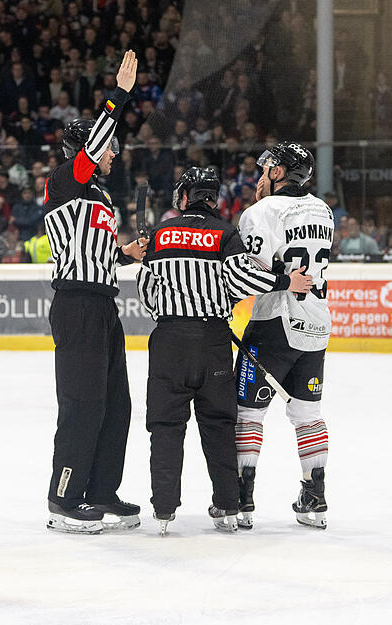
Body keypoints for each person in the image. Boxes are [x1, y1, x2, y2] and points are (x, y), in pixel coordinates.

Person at [137, 167, 312, 535]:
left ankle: (165, 509)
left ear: (183, 197)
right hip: (213, 341)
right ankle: (228, 506)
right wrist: (285, 281)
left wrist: (167, 314)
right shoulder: (225, 233)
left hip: (169, 341)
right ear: (212, 198)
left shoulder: (156, 234)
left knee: (166, 427)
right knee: (218, 425)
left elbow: (146, 287)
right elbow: (242, 280)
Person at [43, 50, 146, 534]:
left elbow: (97, 251)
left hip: (104, 304)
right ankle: (64, 497)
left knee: (116, 404)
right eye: (108, 148)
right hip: (78, 305)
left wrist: (125, 253)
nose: (113, 155)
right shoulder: (65, 182)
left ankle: (101, 491)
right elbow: (93, 150)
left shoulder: (99, 196)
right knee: (83, 403)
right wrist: (119, 95)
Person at [235, 142, 334, 529]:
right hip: (317, 325)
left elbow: (254, 271)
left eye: (267, 169)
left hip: (274, 322)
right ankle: (315, 496)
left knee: (248, 413)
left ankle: (242, 500)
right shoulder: (324, 210)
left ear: (279, 173)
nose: (260, 175)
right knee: (308, 413)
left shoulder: (261, 211)